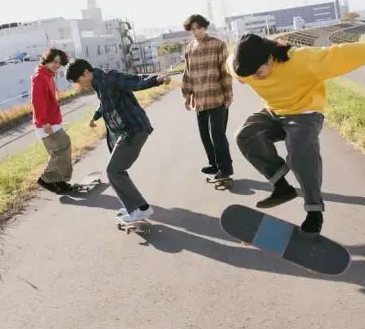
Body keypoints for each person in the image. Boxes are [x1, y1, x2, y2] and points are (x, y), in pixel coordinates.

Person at [228, 34, 365, 237]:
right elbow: (229, 62)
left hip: (305, 113)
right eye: (249, 76)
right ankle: (281, 185)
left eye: (258, 73)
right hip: (274, 112)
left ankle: (314, 211)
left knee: (299, 153)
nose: (254, 79)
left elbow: (341, 55)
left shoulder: (300, 60)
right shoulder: (241, 70)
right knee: (245, 135)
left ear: (270, 59)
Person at [65, 59, 170, 224]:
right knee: (116, 170)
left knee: (114, 171)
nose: (79, 84)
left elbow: (135, 82)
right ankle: (134, 207)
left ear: (86, 72)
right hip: (127, 131)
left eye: (78, 80)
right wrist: (95, 117)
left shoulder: (109, 77)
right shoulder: (99, 84)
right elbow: (105, 104)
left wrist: (157, 79)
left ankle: (140, 209)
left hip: (133, 130)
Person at [181, 14, 234, 181]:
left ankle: (225, 168)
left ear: (205, 27)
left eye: (199, 28)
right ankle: (214, 164)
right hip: (200, 100)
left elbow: (225, 72)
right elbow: (187, 74)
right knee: (205, 136)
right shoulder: (189, 49)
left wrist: (228, 94)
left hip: (216, 98)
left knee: (217, 136)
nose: (196, 32)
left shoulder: (218, 45)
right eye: (193, 29)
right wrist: (186, 95)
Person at [31, 47, 74, 194]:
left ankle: (60, 183)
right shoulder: (39, 77)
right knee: (63, 147)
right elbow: (38, 102)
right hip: (46, 124)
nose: (57, 65)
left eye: (59, 63)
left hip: (51, 121)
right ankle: (45, 179)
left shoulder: (48, 75)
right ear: (46, 60)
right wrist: (44, 122)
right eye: (55, 62)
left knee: (58, 151)